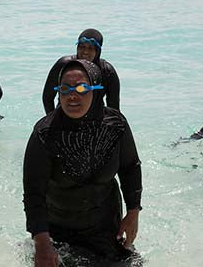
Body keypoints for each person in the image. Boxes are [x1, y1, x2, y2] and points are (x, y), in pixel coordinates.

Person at [23, 59, 142, 266]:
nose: (72, 95)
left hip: (106, 225)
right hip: (58, 228)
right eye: (65, 89)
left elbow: (130, 167)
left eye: (81, 88)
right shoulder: (45, 133)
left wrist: (133, 214)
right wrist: (42, 243)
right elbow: (34, 193)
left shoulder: (116, 125)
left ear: (96, 90)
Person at [42, 28, 120, 114]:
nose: (85, 52)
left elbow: (114, 108)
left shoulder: (107, 72)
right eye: (82, 47)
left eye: (90, 48)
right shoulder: (63, 65)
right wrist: (51, 119)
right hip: (64, 118)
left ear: (98, 51)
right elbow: (47, 98)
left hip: (95, 120)